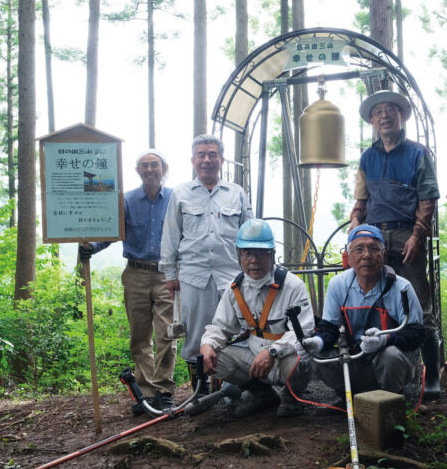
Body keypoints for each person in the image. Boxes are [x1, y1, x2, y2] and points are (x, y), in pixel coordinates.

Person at [350, 90, 442, 400]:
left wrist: (417, 234)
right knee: (375, 300)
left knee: (418, 302)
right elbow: (361, 202)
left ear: (401, 116)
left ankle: (431, 375)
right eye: (378, 112)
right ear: (372, 121)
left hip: (407, 234)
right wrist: (355, 227)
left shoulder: (417, 152)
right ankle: (382, 369)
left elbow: (427, 199)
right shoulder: (368, 157)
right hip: (374, 237)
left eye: (391, 110)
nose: (385, 116)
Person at [79, 150, 176, 414]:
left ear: (164, 168)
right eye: (144, 165)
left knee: (167, 333)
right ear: (137, 171)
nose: (149, 169)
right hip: (135, 273)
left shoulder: (175, 198)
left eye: (154, 165)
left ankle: (164, 391)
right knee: (139, 337)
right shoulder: (127, 200)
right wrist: (92, 247)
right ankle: (147, 393)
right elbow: (112, 230)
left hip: (167, 274)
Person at [160, 134, 252, 394]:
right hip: (193, 277)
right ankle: (200, 392)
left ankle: (233, 389)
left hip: (230, 276)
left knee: (236, 331)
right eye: (201, 155)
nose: (207, 160)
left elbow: (248, 234)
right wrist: (170, 274)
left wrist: (250, 273)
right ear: (193, 160)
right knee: (195, 336)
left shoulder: (236, 193)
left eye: (212, 155)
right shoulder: (181, 194)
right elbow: (170, 236)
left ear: (221, 160)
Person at [199, 219, 314, 418]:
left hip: (284, 357)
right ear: (239, 256)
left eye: (261, 253)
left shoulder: (292, 286)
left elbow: (303, 332)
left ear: (272, 255)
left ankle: (292, 398)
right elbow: (220, 327)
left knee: (302, 360)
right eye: (247, 253)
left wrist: (272, 352)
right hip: (253, 357)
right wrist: (207, 344)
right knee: (215, 357)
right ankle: (263, 395)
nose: (254, 260)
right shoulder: (235, 289)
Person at [297, 224, 425, 403]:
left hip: (387, 361)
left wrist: (385, 340)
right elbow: (330, 328)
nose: (367, 255)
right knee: (316, 357)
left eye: (374, 248)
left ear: (384, 255)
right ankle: (347, 396)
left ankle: (390, 401)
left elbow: (417, 334)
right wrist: (318, 342)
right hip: (355, 358)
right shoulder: (338, 285)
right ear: (348, 257)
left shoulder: (401, 287)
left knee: (390, 356)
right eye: (358, 249)